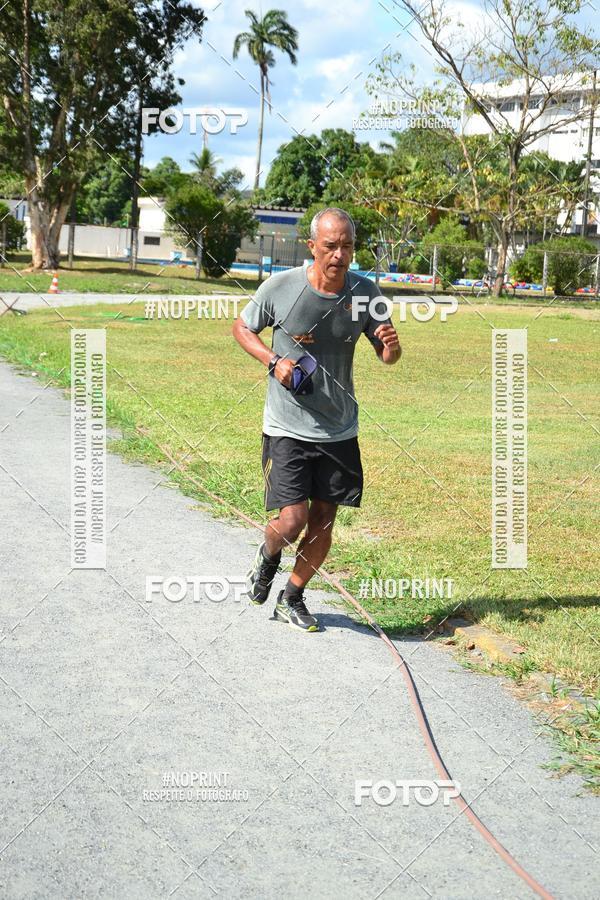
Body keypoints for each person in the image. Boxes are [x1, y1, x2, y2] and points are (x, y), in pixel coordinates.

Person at [232, 207, 401, 632]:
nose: (339, 255)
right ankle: (268, 555)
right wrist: (274, 361)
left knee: (324, 519)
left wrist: (392, 347)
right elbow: (242, 329)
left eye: (347, 246)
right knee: (292, 520)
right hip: (286, 426)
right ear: (312, 247)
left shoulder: (365, 293)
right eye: (330, 246)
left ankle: (292, 595)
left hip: (339, 428)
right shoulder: (281, 287)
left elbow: (387, 355)